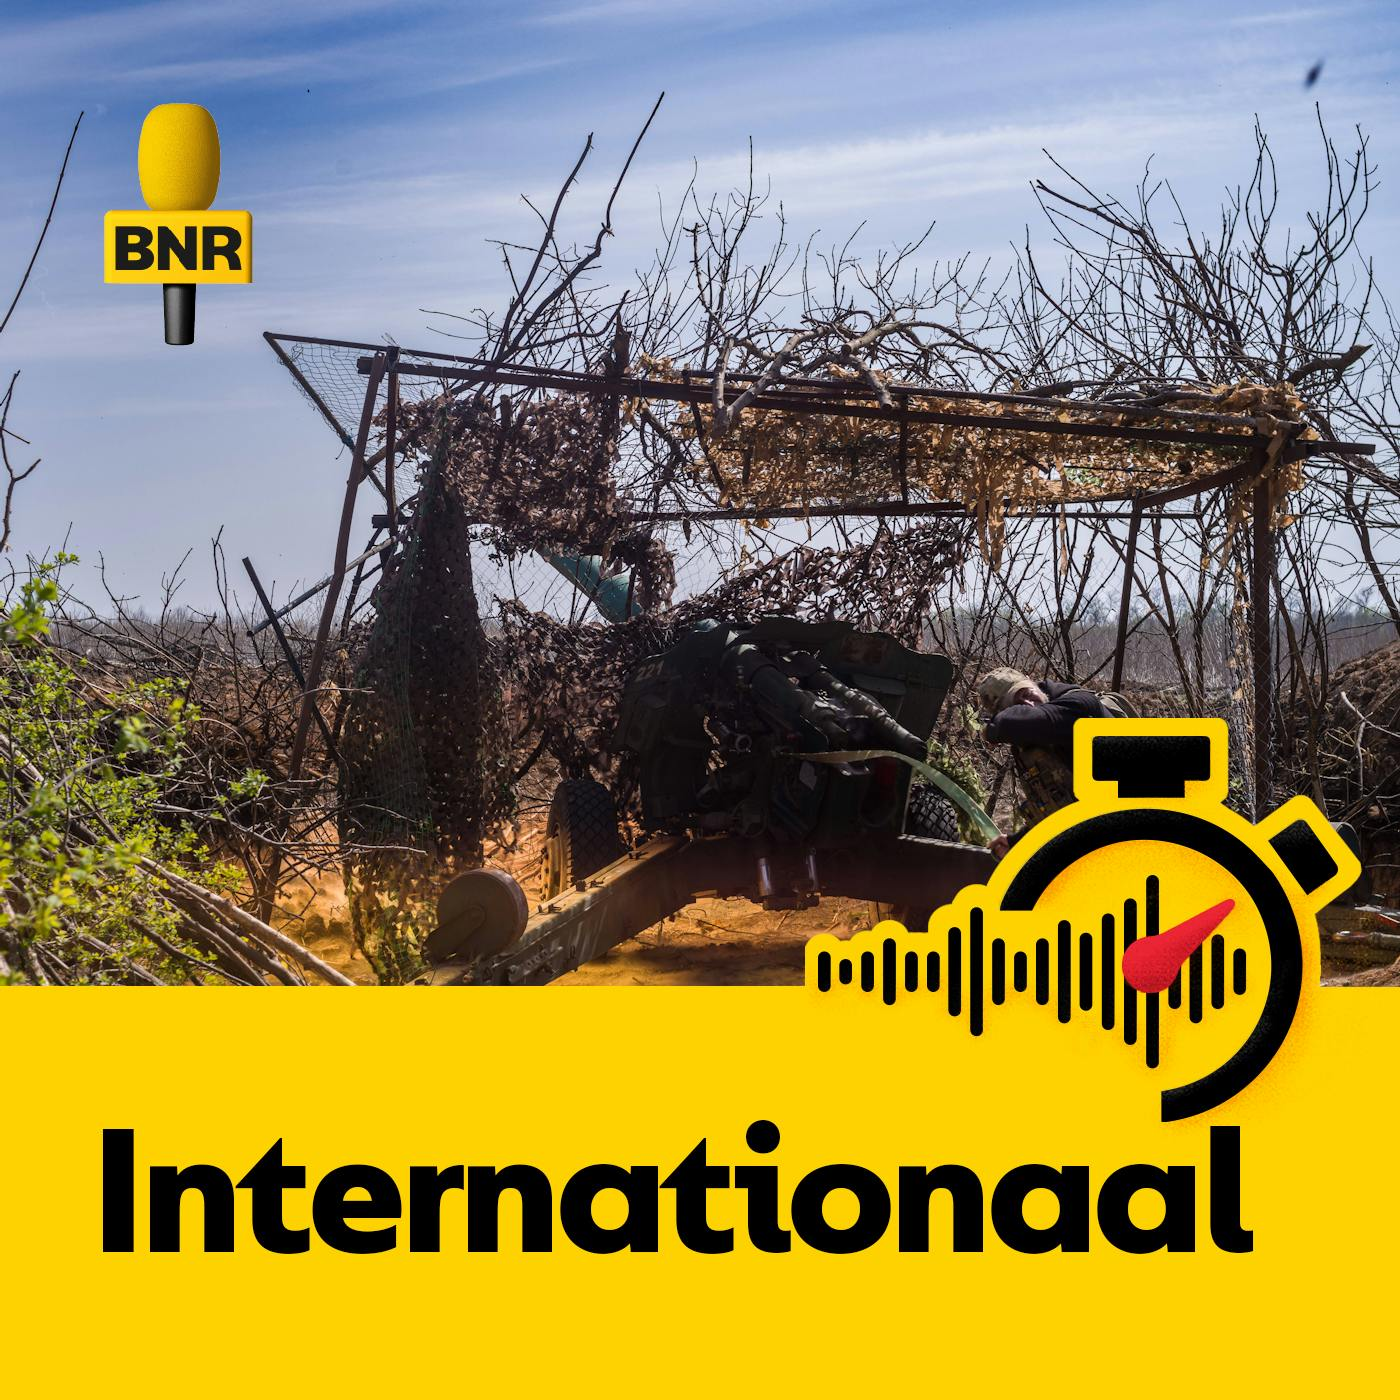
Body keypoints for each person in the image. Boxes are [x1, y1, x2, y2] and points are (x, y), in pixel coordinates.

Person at [976, 667, 1118, 859]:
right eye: (1018, 704)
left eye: (1027, 693)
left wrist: (992, 729)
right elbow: (1062, 810)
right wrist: (1016, 841)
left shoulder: (1080, 705)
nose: (1029, 703)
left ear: (1033, 683)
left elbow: (1015, 723)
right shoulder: (1040, 741)